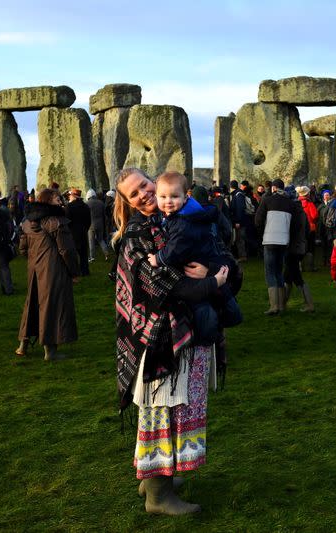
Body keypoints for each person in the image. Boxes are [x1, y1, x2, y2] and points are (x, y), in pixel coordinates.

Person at [114, 167, 228, 515]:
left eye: (145, 185)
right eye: (135, 194)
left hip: (188, 334)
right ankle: (158, 496)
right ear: (128, 202)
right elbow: (158, 286)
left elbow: (223, 256)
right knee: (160, 410)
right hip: (159, 338)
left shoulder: (180, 218)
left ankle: (156, 477)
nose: (145, 195)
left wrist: (215, 272)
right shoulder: (136, 234)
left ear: (156, 181)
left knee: (179, 408)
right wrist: (210, 285)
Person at [147, 172, 242, 344]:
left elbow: (175, 249)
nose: (168, 201)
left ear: (185, 198)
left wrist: (158, 258)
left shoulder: (184, 221)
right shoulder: (182, 214)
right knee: (211, 298)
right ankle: (224, 318)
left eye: (174, 196)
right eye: (163, 197)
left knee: (203, 307)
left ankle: (208, 338)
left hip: (200, 261)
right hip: (202, 263)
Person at [15, 188, 80, 361]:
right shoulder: (55, 221)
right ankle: (50, 351)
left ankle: (23, 344)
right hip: (53, 269)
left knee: (33, 304)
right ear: (48, 200)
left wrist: (34, 259)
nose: (60, 201)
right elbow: (66, 250)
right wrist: (73, 272)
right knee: (52, 306)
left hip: (35, 269)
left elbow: (22, 249)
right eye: (57, 198)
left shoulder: (28, 222)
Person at [255, 178, 298, 315]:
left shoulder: (267, 200)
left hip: (269, 239)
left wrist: (262, 234)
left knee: (270, 272)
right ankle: (281, 305)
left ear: (273, 188)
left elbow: (258, 220)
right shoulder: (291, 203)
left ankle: (274, 306)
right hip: (284, 240)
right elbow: (295, 225)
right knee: (279, 271)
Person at [65, 188, 91, 276]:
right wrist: (85, 229)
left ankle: (75, 271)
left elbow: (67, 220)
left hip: (72, 232)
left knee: (73, 253)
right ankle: (85, 271)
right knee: (83, 253)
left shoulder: (69, 207)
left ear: (73, 196)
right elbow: (89, 221)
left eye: (70, 195)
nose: (69, 197)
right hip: (83, 232)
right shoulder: (85, 206)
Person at [297, 185, 318, 272]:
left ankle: (300, 266)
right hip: (310, 228)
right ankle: (310, 266)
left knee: (301, 247)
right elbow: (315, 215)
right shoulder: (310, 204)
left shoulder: (296, 203)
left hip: (299, 228)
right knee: (310, 247)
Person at [86, 189, 109, 262]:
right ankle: (106, 253)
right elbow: (104, 215)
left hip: (91, 225)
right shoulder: (101, 203)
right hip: (100, 224)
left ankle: (92, 257)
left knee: (91, 241)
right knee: (101, 239)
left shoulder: (87, 204)